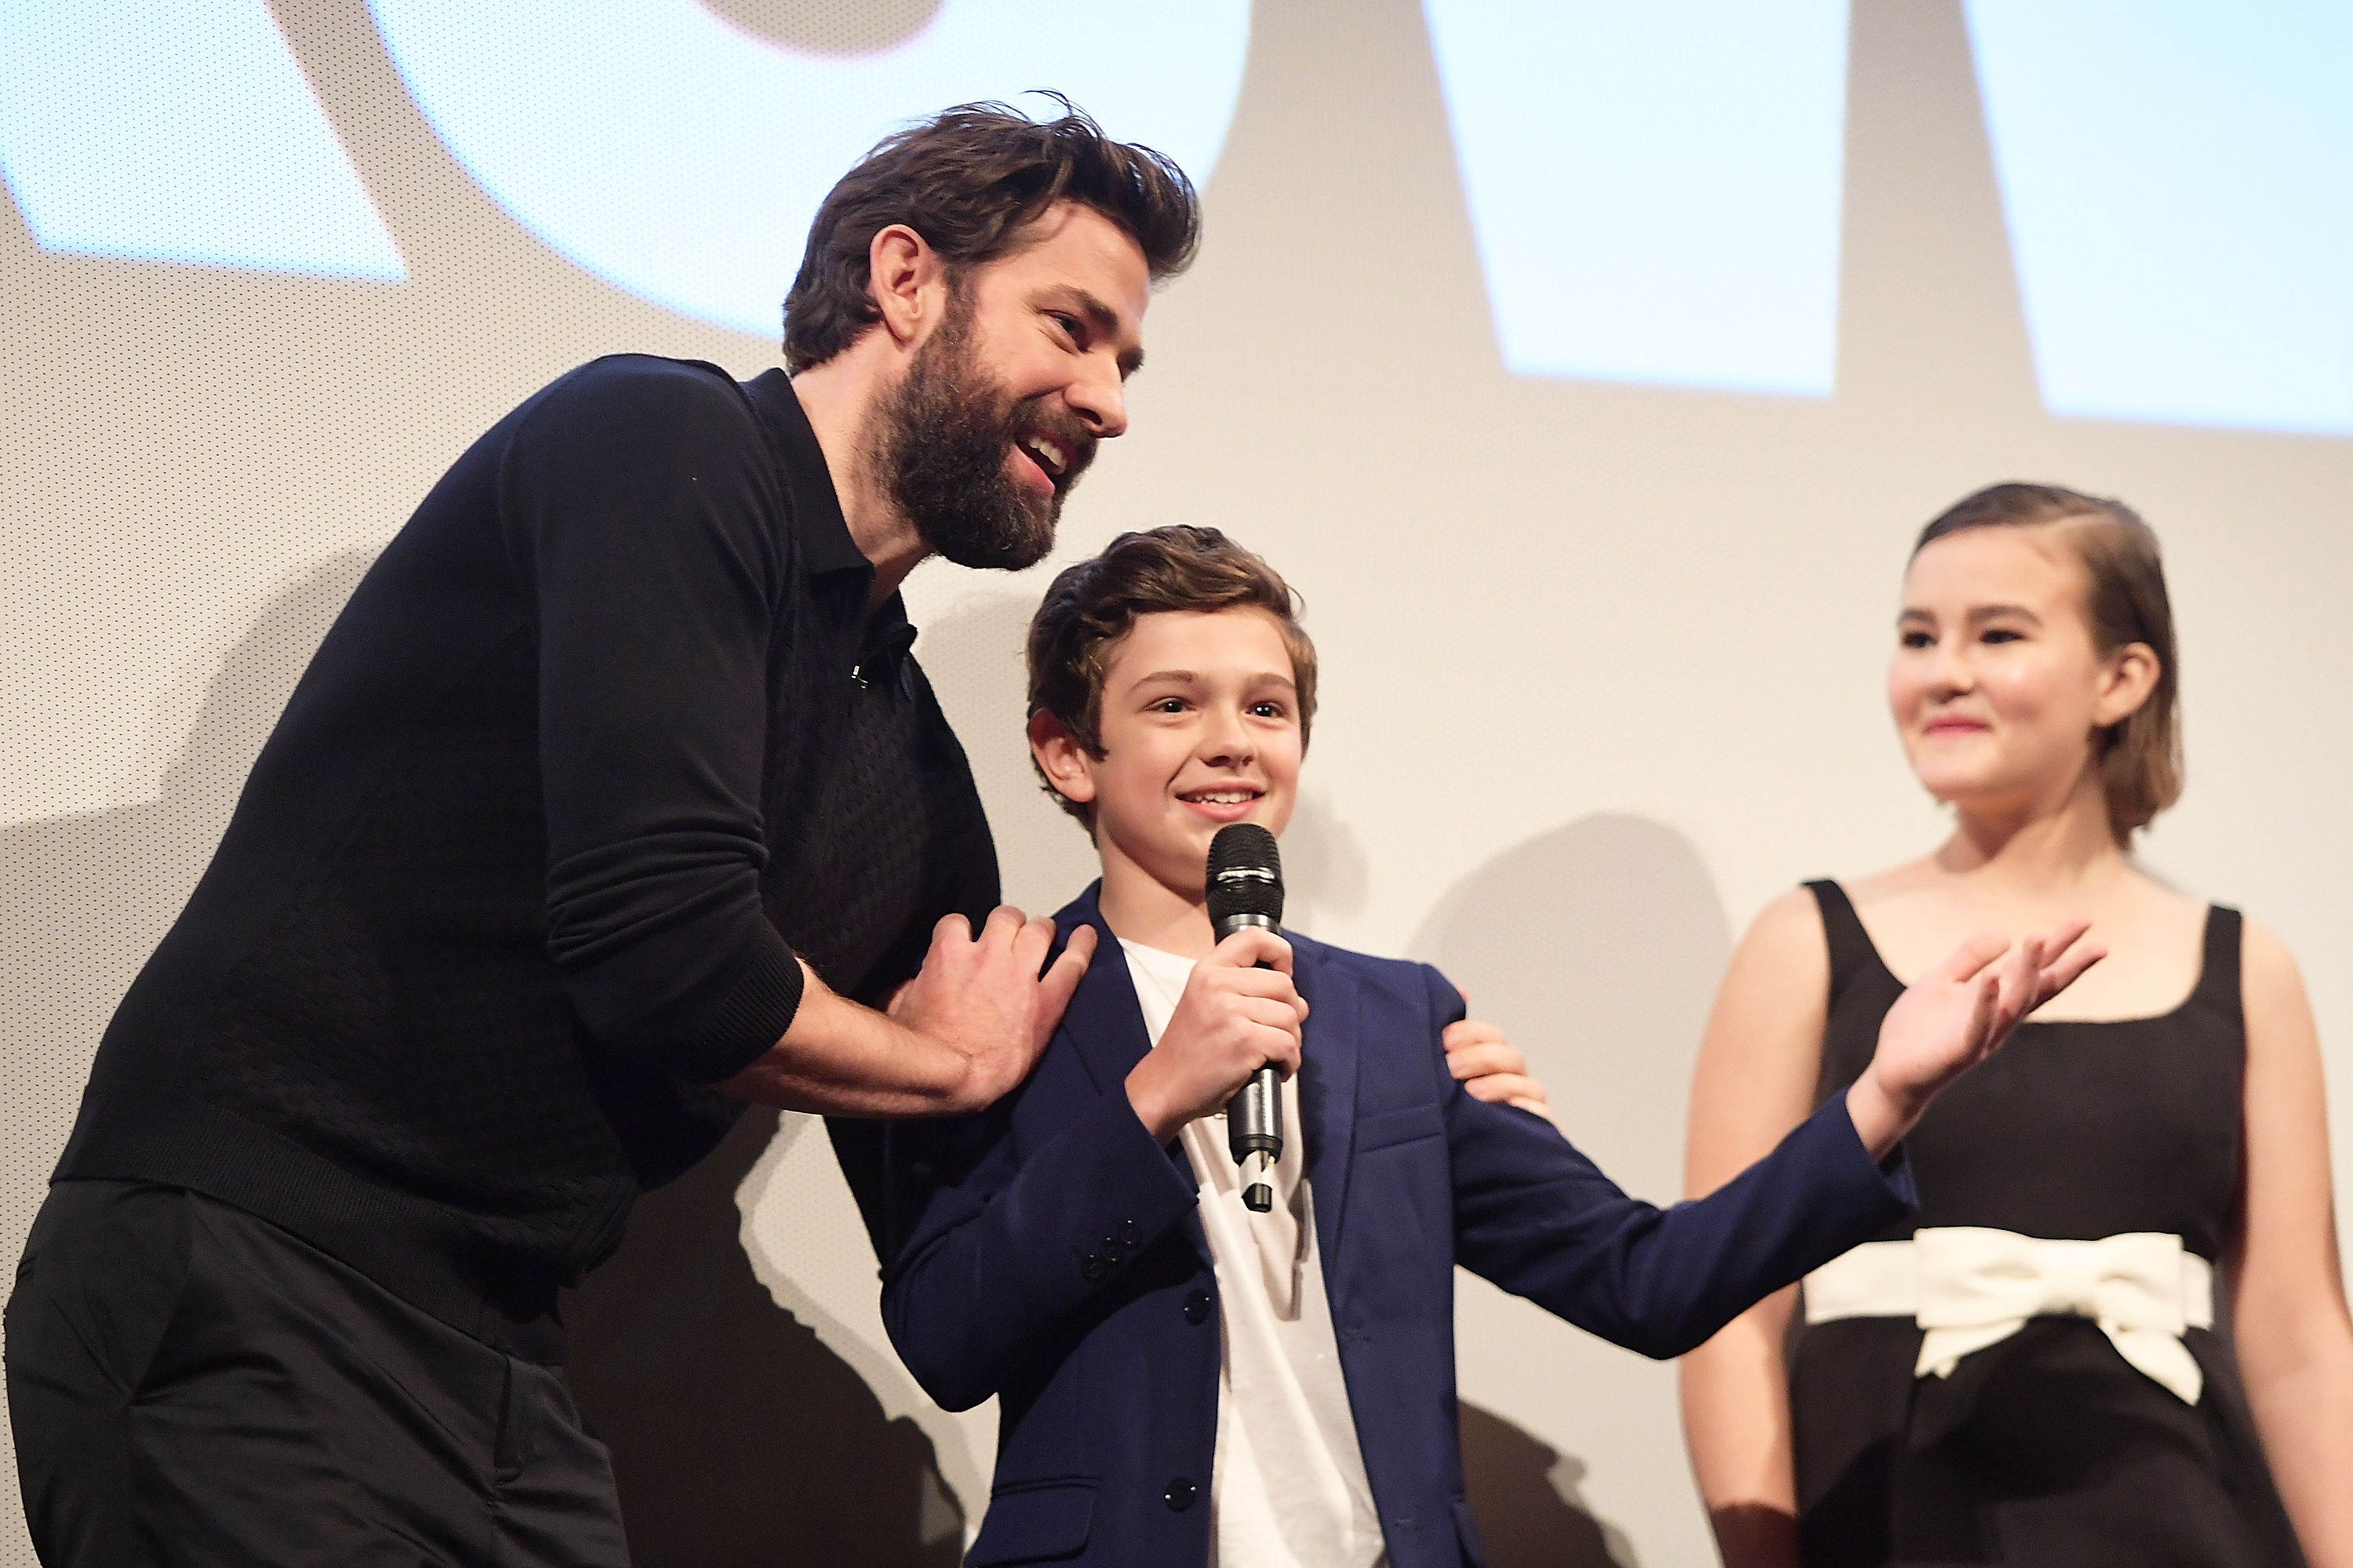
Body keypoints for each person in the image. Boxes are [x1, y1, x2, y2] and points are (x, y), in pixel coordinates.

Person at [5, 100, 1202, 1566]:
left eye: (1126, 363)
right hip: (247, 1270)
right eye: (1072, 328)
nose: (1109, 403)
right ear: (906, 281)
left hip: (501, 1363)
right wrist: (949, 1063)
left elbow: (959, 1282)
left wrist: (1236, 1098)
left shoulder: (910, 773)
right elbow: (668, 958)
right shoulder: (662, 444)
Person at [871, 525, 2098, 1568]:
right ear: (1067, 751)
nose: (1233, 740)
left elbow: (1648, 1281)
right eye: (1173, 704)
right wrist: (1151, 1102)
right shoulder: (1004, 1000)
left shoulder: (1397, 1020)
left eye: (1267, 706)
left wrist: (1884, 1094)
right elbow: (944, 1336)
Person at [1678, 482, 2353, 1567]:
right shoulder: (1806, 941)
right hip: (1891, 1510)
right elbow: (1729, 1311)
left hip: (2186, 1515)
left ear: (2122, 679)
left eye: (1997, 635)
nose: (1944, 672)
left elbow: (2299, 1338)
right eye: (1918, 636)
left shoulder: (2246, 967)